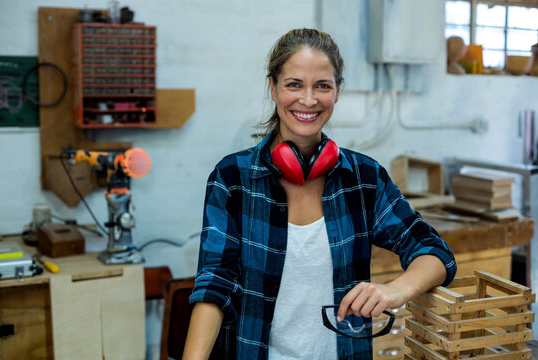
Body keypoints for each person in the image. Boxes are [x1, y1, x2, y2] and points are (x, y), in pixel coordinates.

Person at [183, 28, 456, 360]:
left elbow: (434, 252)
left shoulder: (364, 178)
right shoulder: (233, 178)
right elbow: (214, 286)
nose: (308, 100)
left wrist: (397, 289)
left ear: (338, 91)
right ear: (273, 87)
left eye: (322, 86)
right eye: (294, 84)